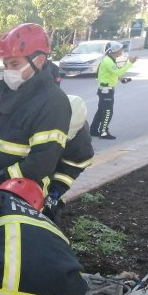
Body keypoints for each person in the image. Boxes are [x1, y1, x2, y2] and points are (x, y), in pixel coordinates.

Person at [0, 23, 71, 196]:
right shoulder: (8, 94)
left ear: (39, 61)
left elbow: (41, 162)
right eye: (6, 65)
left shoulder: (53, 102)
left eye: (15, 64)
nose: (9, 71)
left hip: (20, 195)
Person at [45, 95, 94, 224]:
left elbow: (71, 169)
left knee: (49, 214)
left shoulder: (81, 144)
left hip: (51, 172)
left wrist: (55, 192)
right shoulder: (40, 116)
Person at [90, 41, 138, 140]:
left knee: (101, 111)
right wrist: (130, 63)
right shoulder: (108, 60)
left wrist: (121, 79)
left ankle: (93, 130)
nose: (122, 51)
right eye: (120, 49)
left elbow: (112, 73)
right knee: (108, 112)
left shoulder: (110, 59)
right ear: (115, 50)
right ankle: (103, 133)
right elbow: (117, 71)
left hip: (105, 89)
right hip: (106, 90)